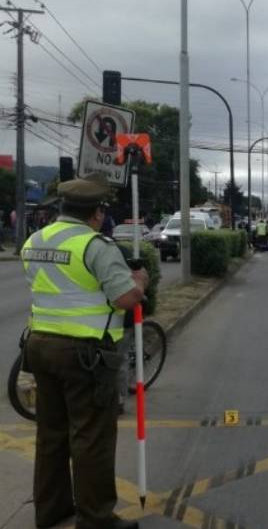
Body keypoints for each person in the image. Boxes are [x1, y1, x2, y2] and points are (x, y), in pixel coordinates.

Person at [21, 174, 146, 529]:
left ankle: (51, 510)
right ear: (96, 213)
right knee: (90, 437)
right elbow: (124, 299)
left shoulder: (35, 240)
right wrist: (139, 284)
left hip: (40, 346)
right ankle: (96, 519)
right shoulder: (95, 246)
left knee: (51, 434)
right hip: (84, 353)